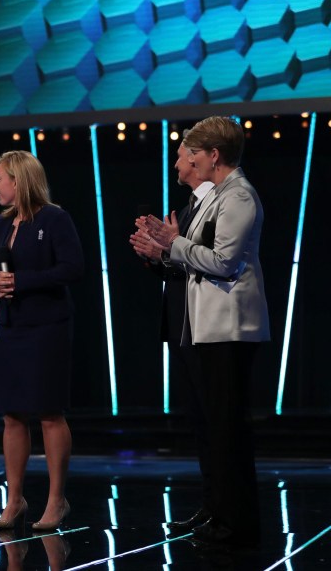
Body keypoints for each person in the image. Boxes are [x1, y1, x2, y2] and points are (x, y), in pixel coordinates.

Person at [140, 116, 269, 547]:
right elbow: (196, 257)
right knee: (212, 428)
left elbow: (224, 262)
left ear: (214, 155)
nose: (188, 159)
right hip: (206, 329)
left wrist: (173, 244)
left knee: (229, 431)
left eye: (193, 152)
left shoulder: (240, 197)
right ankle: (217, 513)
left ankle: (236, 523)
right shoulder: (219, 197)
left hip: (229, 330)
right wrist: (168, 246)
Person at [0, 151, 84, 531]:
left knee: (48, 412)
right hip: (11, 326)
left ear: (19, 180)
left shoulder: (54, 218)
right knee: (12, 414)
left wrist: (21, 282)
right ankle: (15, 500)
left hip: (47, 327)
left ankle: (57, 500)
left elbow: (73, 268)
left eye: (0, 179)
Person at [130, 134, 214, 533]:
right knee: (200, 421)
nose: (176, 164)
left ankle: (224, 509)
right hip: (185, 325)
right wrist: (156, 254)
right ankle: (212, 504)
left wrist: (170, 244)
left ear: (199, 160)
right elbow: (180, 266)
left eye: (180, 157)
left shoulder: (218, 204)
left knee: (216, 422)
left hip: (208, 326)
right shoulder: (190, 205)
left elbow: (213, 263)